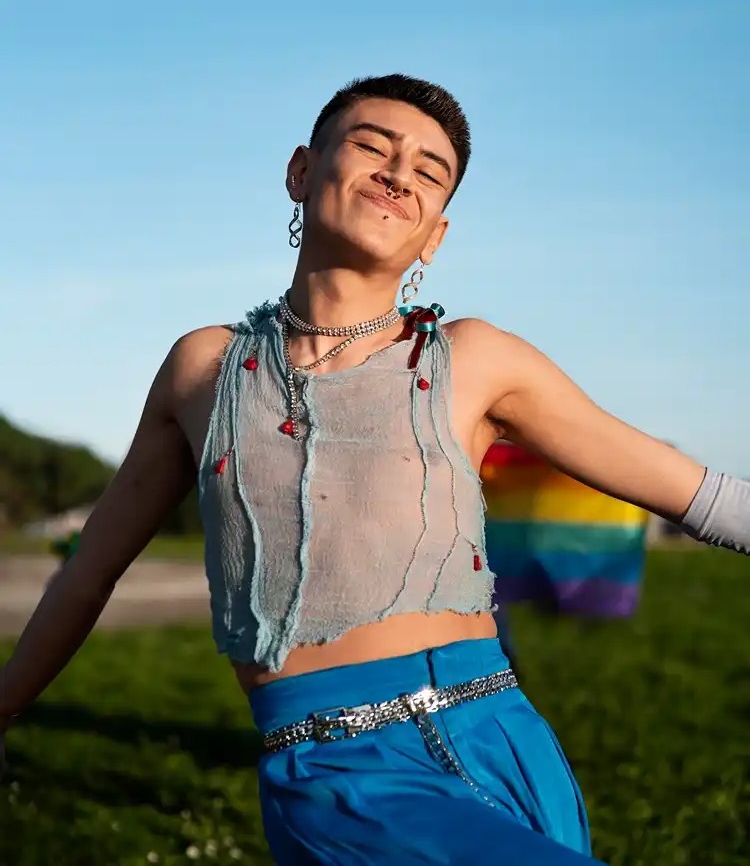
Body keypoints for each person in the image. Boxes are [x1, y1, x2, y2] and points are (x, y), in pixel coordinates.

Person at [1, 74, 747, 864]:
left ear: (436, 236)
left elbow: (696, 491)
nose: (400, 172)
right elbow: (90, 571)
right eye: (371, 145)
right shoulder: (204, 371)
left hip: (503, 737)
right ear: (300, 170)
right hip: (336, 770)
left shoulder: (475, 358)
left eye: (430, 171)